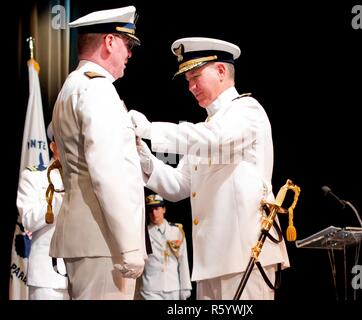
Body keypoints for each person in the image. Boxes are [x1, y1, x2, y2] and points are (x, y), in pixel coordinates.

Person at [129, 37, 290, 300]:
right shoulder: (207, 127)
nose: (191, 87)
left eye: (195, 76)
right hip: (210, 260)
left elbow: (214, 139)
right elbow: (179, 185)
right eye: (187, 81)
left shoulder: (247, 110)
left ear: (221, 71)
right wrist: (142, 156)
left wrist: (150, 129)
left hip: (246, 253)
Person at [49, 6, 147, 300]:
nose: (129, 54)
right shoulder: (98, 89)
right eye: (127, 45)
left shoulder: (73, 85)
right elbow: (108, 172)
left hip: (90, 239)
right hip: (104, 241)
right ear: (109, 42)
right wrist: (128, 245)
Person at [17, 123, 69, 300]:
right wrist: (61, 198)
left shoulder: (87, 179)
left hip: (83, 275)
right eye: (64, 143)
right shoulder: (34, 176)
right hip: (48, 278)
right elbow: (28, 220)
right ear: (53, 146)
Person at [136, 194, 192, 300]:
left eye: (157, 209)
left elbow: (183, 260)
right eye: (150, 210)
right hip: (150, 288)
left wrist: (185, 287)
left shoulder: (176, 231)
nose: (154, 213)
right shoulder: (143, 233)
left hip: (173, 286)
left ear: (164, 209)